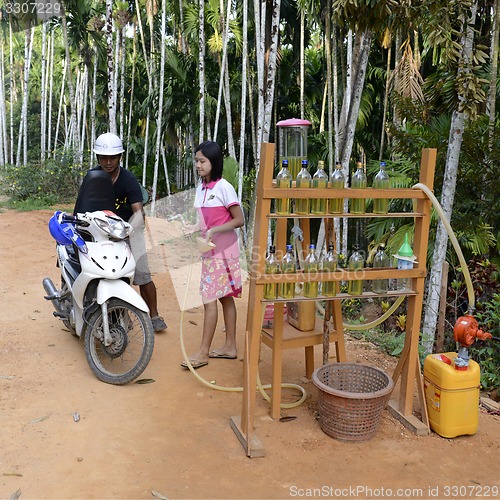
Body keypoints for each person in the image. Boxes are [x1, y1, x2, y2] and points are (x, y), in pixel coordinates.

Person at [80, 132, 167, 332]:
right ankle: (118, 314)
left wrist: (129, 231)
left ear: (120, 157)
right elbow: (83, 208)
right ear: (97, 158)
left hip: (128, 231)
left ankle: (153, 315)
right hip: (100, 233)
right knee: (100, 272)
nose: (108, 162)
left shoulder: (128, 179)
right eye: (103, 157)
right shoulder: (92, 177)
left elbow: (139, 213)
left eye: (112, 157)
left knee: (142, 273)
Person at [181, 141, 244, 369]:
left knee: (209, 301)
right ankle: (229, 347)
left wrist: (215, 230)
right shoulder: (201, 189)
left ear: (213, 162)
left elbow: (239, 220)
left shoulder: (224, 187)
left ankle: (203, 353)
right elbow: (203, 222)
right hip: (210, 252)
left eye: (202, 161)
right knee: (224, 298)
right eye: (196, 160)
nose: (197, 165)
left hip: (224, 254)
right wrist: (194, 228)